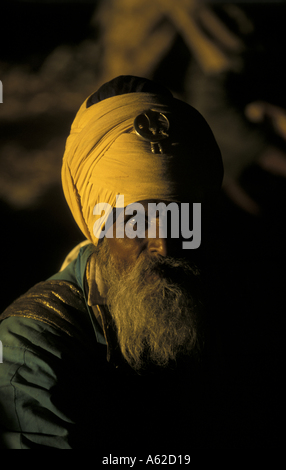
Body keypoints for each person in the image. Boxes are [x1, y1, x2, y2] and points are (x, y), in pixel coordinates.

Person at [0, 76, 225, 450]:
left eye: (179, 218)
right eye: (135, 223)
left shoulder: (210, 296)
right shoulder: (31, 349)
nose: (164, 247)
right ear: (99, 228)